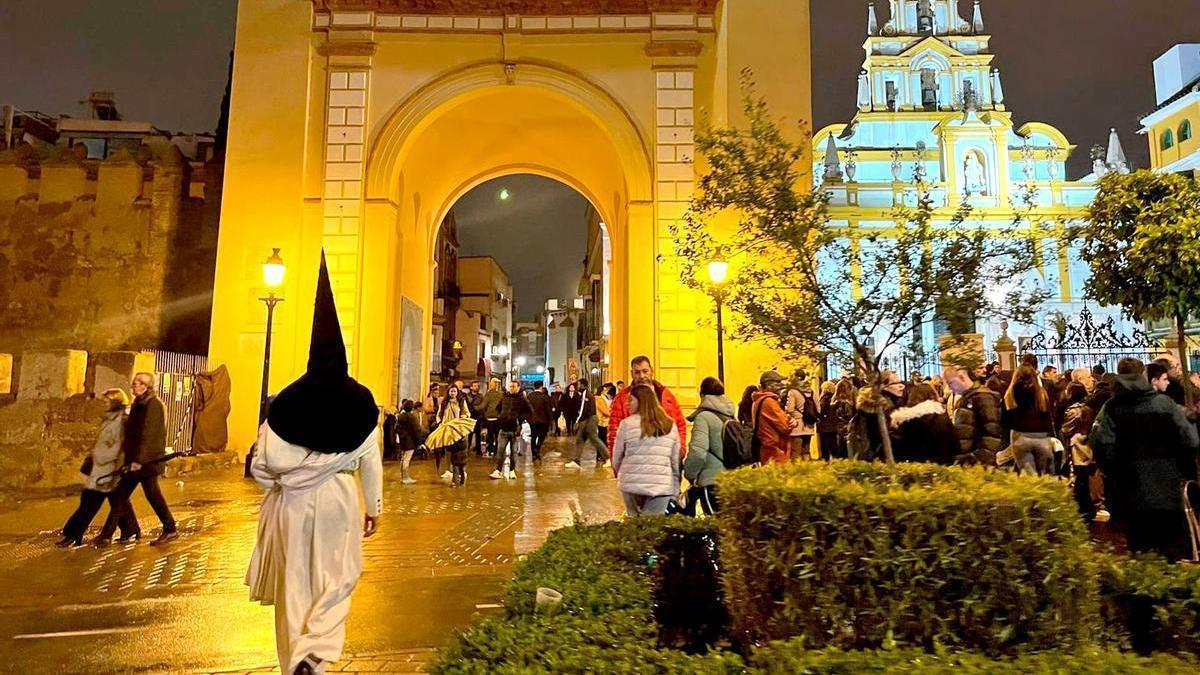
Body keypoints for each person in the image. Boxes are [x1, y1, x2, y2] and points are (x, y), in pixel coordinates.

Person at [245, 253, 383, 675]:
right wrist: (374, 508)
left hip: (291, 505)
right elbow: (370, 461)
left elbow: (260, 467)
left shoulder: (286, 402)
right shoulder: (360, 401)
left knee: (295, 585)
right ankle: (317, 646)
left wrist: (282, 486)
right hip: (339, 498)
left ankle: (295, 665)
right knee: (339, 576)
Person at [1091, 358, 1199, 560]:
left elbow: (1101, 445)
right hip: (1167, 486)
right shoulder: (1165, 404)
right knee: (1170, 550)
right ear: (1143, 375)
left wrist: (1116, 472)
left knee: (1140, 552)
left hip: (1130, 490)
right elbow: (1190, 441)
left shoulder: (1112, 408)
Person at [98, 372, 176, 547]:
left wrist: (138, 461)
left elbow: (149, 434)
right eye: (133, 383)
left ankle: (169, 529)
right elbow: (133, 433)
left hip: (146, 462)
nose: (133, 386)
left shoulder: (152, 405)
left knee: (149, 496)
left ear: (145, 386)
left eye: (136, 383)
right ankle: (110, 534)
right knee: (122, 495)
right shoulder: (138, 405)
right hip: (137, 460)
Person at [58, 389, 140, 547]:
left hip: (109, 468)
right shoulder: (109, 419)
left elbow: (120, 447)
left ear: (116, 403)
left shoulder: (122, 421)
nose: (103, 404)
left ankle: (74, 534)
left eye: (107, 401)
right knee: (117, 501)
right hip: (100, 467)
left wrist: (112, 465)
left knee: (89, 502)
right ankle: (131, 528)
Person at [611, 384, 681, 517]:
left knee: (634, 528)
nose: (627, 404)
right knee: (652, 529)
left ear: (641, 401)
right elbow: (675, 462)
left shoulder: (626, 424)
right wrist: (675, 487)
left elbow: (617, 458)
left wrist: (625, 475)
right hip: (661, 487)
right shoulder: (670, 425)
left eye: (631, 400)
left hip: (631, 486)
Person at [607, 356, 687, 455]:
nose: (641, 376)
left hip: (665, 460)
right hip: (635, 461)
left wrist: (680, 452)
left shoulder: (666, 395)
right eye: (637, 372)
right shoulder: (621, 400)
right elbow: (613, 434)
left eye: (645, 371)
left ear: (651, 371)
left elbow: (680, 425)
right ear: (632, 374)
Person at [683, 377, 732, 515]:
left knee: (715, 526)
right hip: (731, 480)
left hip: (711, 481)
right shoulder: (730, 415)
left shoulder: (703, 417)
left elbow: (698, 451)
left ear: (702, 395)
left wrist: (690, 474)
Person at [1002, 365, 1057, 476]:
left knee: (1029, 477)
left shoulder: (1010, 394)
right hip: (1041, 436)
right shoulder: (1041, 394)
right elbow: (1048, 416)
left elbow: (1005, 420)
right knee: (1045, 476)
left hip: (1020, 436)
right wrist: (1052, 435)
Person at [942, 367, 1003, 466]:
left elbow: (992, 434)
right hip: (968, 460)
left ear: (961, 378)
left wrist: (979, 458)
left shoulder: (983, 397)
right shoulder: (965, 399)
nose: (950, 388)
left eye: (951, 383)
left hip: (978, 462)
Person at [889, 383, 958, 465]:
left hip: (915, 470)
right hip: (943, 468)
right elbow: (955, 445)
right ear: (933, 396)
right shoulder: (942, 418)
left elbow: (899, 450)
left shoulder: (903, 422)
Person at [491, 381, 531, 480]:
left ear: (518, 387)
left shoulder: (522, 399)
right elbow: (497, 408)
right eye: (510, 386)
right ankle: (498, 470)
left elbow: (529, 411)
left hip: (514, 430)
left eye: (513, 386)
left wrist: (520, 419)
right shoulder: (504, 397)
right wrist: (501, 417)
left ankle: (512, 470)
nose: (511, 388)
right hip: (503, 428)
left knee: (514, 452)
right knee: (500, 451)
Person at [751, 371, 793, 465]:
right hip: (775, 451)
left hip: (767, 449)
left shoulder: (758, 400)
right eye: (778, 382)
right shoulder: (769, 402)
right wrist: (791, 421)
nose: (781, 385)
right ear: (768, 384)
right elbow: (785, 426)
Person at [567, 379, 609, 469]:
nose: (577, 387)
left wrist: (577, 421)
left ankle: (608, 457)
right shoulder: (585, 394)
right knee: (580, 439)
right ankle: (577, 461)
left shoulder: (586, 394)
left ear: (583, 385)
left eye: (578, 385)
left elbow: (582, 409)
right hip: (588, 418)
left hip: (589, 419)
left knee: (594, 439)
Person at [439, 383, 472, 484]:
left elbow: (467, 413)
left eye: (454, 391)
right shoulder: (444, 402)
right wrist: (441, 424)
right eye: (451, 391)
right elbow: (439, 414)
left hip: (458, 429)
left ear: (457, 392)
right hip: (448, 429)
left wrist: (463, 418)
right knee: (448, 450)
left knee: (459, 452)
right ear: (448, 392)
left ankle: (461, 471)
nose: (453, 393)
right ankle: (449, 469)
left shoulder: (461, 402)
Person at [820, 379, 856, 460]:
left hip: (837, 429)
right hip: (845, 429)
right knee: (846, 452)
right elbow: (848, 416)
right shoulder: (845, 402)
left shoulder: (834, 401)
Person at [784, 378, 819, 461]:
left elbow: (790, 409)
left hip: (797, 426)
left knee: (796, 451)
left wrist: (798, 416)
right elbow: (818, 409)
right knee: (806, 451)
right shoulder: (812, 392)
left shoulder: (793, 392)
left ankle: (798, 471)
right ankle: (808, 469)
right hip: (809, 425)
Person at [394, 399, 425, 485]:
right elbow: (417, 430)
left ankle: (403, 476)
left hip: (403, 440)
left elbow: (396, 428)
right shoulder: (412, 417)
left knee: (403, 458)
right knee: (406, 459)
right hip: (410, 441)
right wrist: (419, 443)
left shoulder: (400, 416)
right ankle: (406, 478)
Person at [526, 382, 554, 462]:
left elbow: (526, 408)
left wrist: (527, 418)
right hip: (543, 420)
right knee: (542, 436)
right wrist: (550, 420)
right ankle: (537, 449)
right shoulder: (545, 397)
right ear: (541, 387)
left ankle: (533, 454)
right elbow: (548, 409)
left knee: (533, 436)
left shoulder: (529, 396)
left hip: (532, 420)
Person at [479, 378, 503, 456]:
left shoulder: (488, 394)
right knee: (497, 435)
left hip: (489, 418)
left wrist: (474, 407)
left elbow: (483, 406)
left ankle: (490, 450)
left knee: (490, 435)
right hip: (498, 418)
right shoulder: (501, 394)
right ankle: (496, 450)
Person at [466, 381, 484, 454]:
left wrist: (476, 409)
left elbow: (482, 406)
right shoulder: (467, 396)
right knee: (469, 434)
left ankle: (478, 449)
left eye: (477, 386)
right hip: (470, 417)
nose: (476, 387)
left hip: (478, 417)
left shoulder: (480, 396)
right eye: (474, 386)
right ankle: (468, 448)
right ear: (471, 387)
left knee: (478, 434)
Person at [596, 383, 615, 450]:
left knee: (604, 440)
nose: (607, 391)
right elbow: (605, 411)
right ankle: (600, 455)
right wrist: (613, 414)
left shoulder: (605, 399)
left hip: (606, 422)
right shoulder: (600, 399)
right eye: (607, 389)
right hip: (602, 422)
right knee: (602, 439)